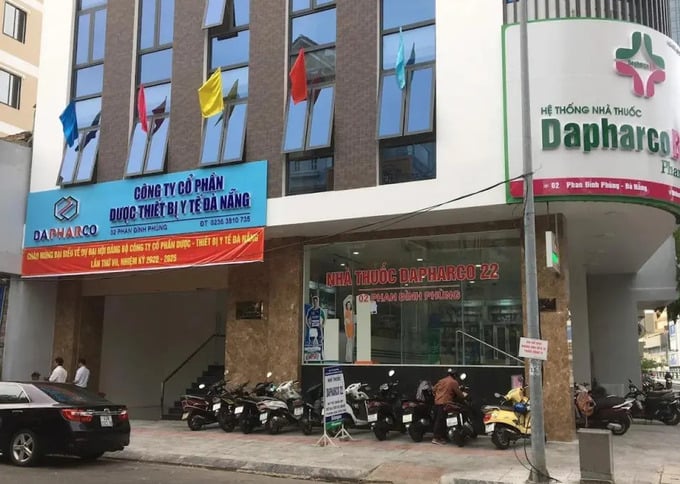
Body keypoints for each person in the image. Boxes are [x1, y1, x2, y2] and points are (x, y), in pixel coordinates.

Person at [431, 369, 466, 445]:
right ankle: (436, 438)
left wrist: (438, 395)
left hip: (437, 403)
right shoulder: (453, 382)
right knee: (441, 421)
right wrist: (463, 396)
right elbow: (459, 394)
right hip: (445, 403)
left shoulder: (441, 381)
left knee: (439, 420)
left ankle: (442, 437)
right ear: (455, 375)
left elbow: (433, 390)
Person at [343, 296, 355, 363]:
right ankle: (348, 358)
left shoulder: (352, 312)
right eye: (348, 305)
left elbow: (353, 321)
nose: (348, 306)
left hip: (352, 329)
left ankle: (350, 358)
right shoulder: (346, 312)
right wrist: (349, 297)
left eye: (349, 305)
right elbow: (347, 322)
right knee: (349, 343)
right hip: (348, 329)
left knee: (351, 344)